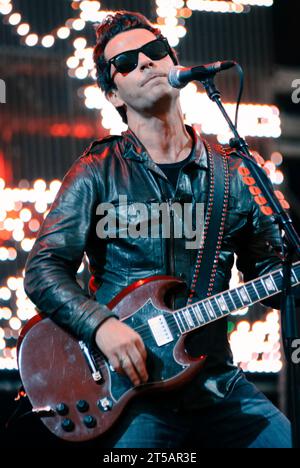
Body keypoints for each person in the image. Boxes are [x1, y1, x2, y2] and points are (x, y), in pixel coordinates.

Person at [24, 10, 293, 448]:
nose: (145, 63)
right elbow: (43, 269)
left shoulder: (235, 170)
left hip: (217, 384)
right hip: (131, 394)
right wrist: (101, 326)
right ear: (113, 94)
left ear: (174, 63)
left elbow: (272, 273)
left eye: (153, 52)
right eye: (126, 62)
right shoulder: (95, 171)